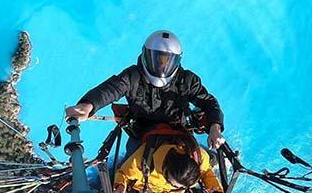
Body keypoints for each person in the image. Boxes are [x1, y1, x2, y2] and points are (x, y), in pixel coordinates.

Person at [65, 30, 226, 150]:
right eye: (157, 59)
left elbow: (209, 103)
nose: (161, 66)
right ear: (146, 55)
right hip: (142, 135)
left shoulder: (187, 80)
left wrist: (215, 128)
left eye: (166, 61)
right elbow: (110, 89)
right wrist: (88, 105)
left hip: (179, 134)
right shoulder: (133, 76)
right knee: (128, 171)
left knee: (198, 164)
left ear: (176, 61)